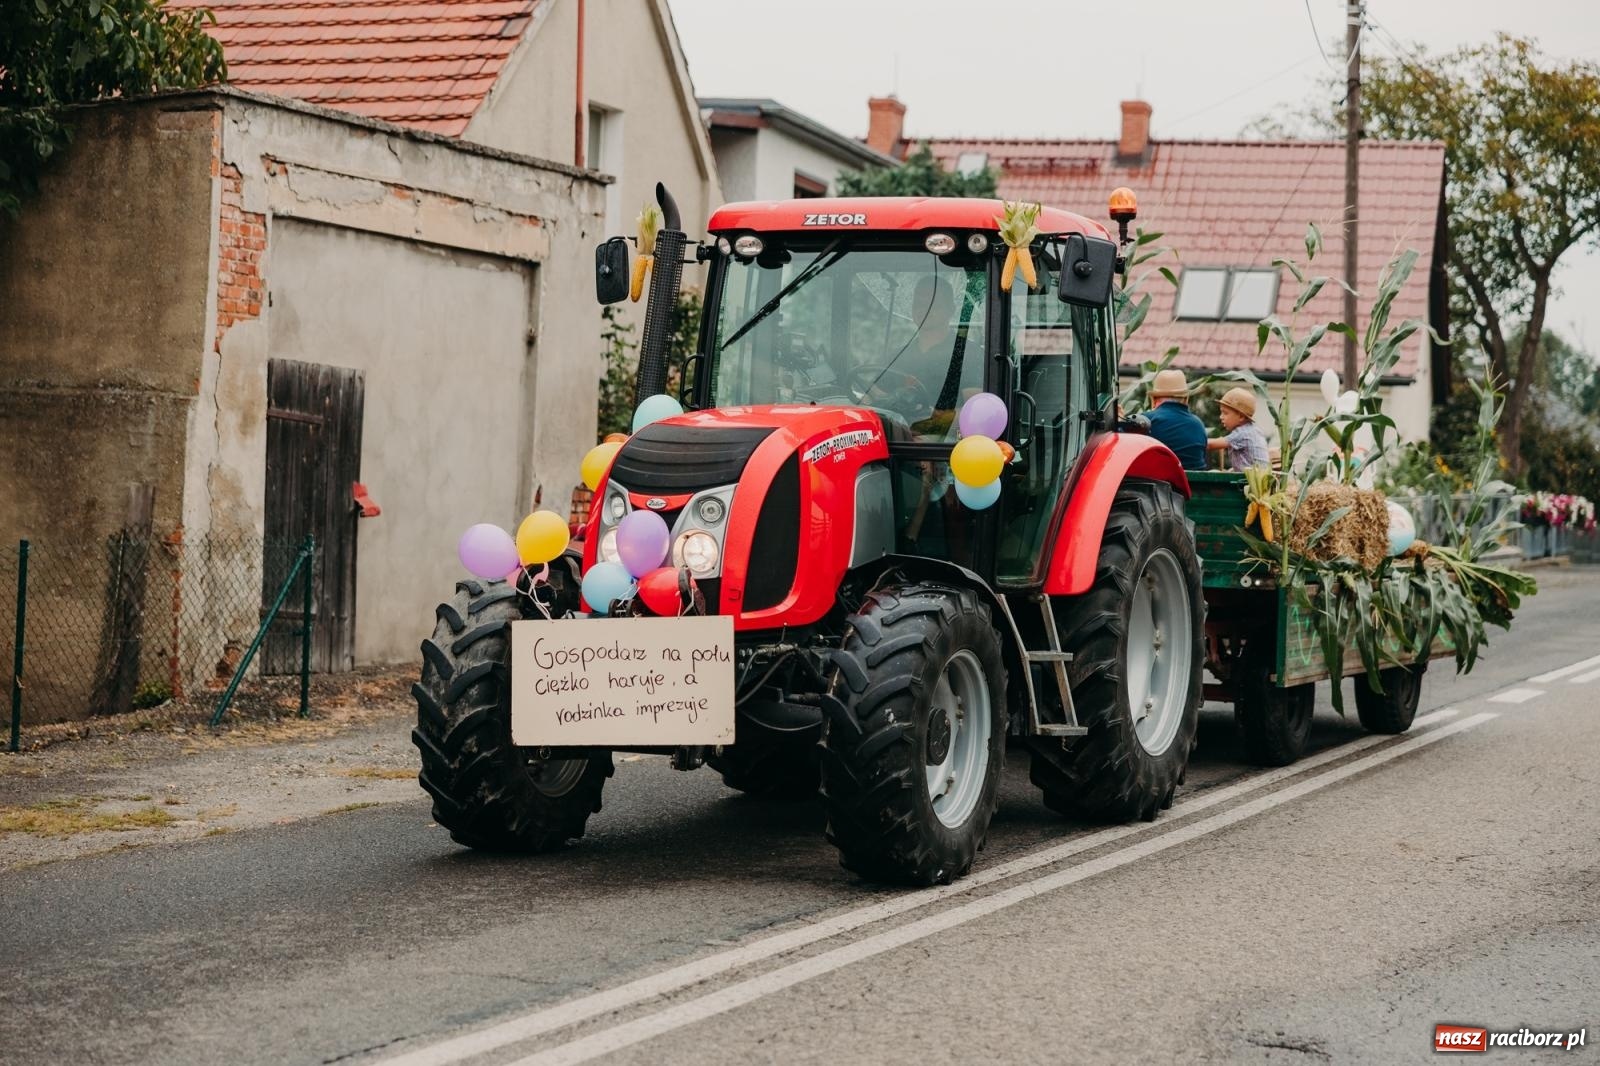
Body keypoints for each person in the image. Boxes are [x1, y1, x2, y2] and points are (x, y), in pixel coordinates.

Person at [1143, 368, 1208, 470]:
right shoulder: (1198, 424)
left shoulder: (1145, 421)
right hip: (1194, 480)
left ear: (1154, 399)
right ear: (1185, 399)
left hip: (1159, 478)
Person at [1208, 387, 1270, 469]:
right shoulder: (1254, 430)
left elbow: (1209, 445)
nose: (1221, 417)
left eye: (1225, 413)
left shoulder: (1243, 433)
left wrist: (1194, 440)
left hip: (1251, 477)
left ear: (1241, 416)